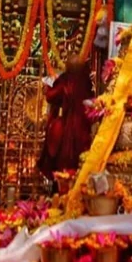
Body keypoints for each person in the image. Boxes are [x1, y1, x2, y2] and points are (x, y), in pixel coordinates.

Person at [37, 52, 94, 182]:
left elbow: (52, 96)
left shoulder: (65, 79)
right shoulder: (86, 81)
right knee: (81, 156)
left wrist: (47, 88)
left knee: (65, 157)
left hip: (69, 126)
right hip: (84, 127)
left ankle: (62, 185)